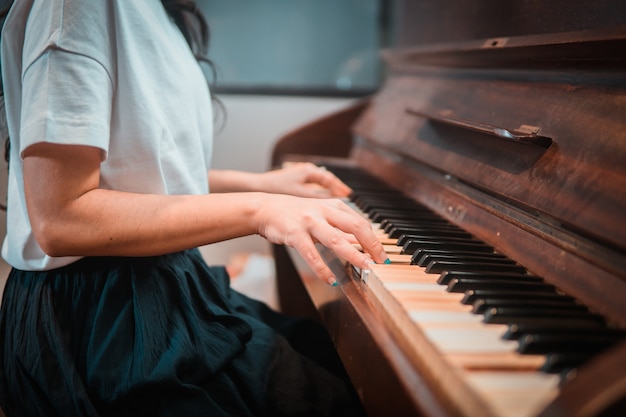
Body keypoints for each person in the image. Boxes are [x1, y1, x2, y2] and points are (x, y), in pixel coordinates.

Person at [0, 1, 389, 416]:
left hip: (158, 287)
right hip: (101, 323)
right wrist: (261, 210)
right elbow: (61, 218)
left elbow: (143, 174)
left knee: (325, 354)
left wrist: (261, 185)